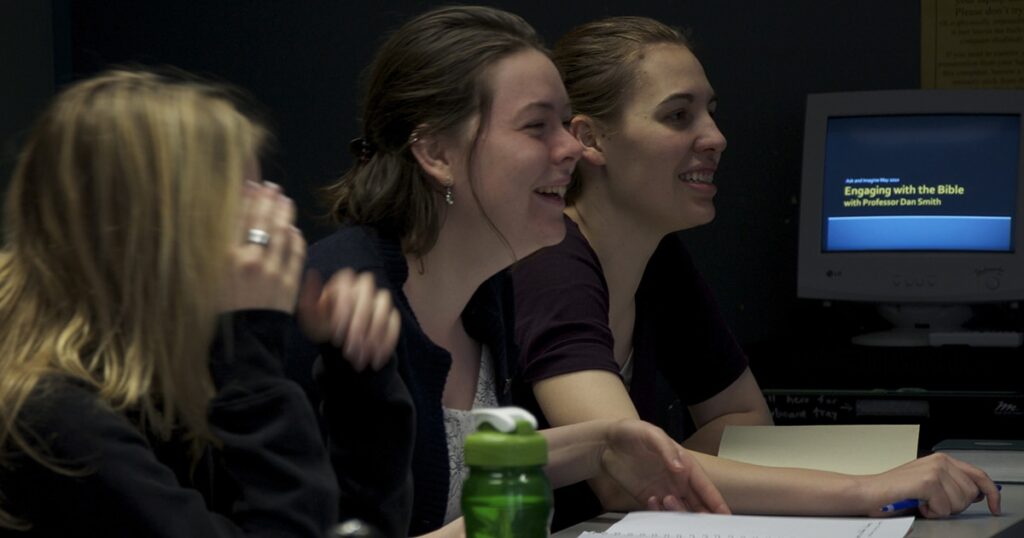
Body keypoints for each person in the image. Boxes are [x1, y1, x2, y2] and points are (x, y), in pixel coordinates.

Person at [509, 15, 1001, 529]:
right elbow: (623, 472)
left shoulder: (657, 257)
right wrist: (869, 491)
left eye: (710, 113)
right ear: (589, 139)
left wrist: (671, 473)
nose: (716, 137)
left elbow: (742, 422)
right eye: (678, 115)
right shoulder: (553, 266)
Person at [285, 6, 728, 538]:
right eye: (536, 126)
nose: (569, 148)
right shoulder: (335, 302)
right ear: (435, 153)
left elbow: (458, 457)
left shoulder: (488, 293)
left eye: (564, 124)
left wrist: (601, 443)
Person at [0, 69, 393, 536]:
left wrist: (356, 378)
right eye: (240, 196)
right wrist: (248, 354)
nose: (273, 213)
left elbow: (354, 528)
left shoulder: (174, 377)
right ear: (150, 233)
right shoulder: (54, 419)